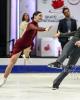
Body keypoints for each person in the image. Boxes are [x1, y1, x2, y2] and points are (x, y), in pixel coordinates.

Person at [0, 11, 51, 87]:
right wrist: (45, 29)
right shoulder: (31, 24)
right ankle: (3, 79)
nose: (41, 17)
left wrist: (30, 45)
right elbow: (35, 28)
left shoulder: (36, 24)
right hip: (20, 44)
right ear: (35, 16)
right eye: (40, 15)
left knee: (27, 50)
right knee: (12, 62)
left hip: (27, 44)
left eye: (42, 16)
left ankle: (26, 56)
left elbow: (32, 36)